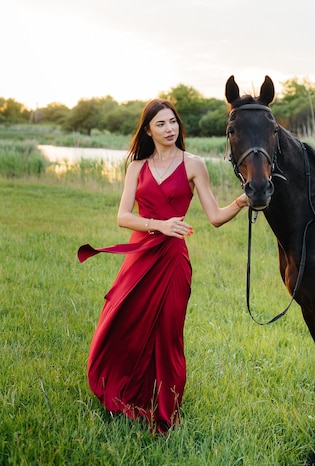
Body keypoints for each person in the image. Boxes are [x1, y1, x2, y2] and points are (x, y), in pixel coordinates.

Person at [78, 99, 248, 433]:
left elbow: (214, 217)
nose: (169, 129)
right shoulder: (136, 167)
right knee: (123, 322)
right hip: (140, 258)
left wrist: (240, 202)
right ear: (148, 130)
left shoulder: (194, 164)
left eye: (173, 122)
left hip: (173, 261)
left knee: (168, 335)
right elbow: (123, 217)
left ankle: (166, 405)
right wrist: (159, 224)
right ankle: (125, 392)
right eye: (161, 124)